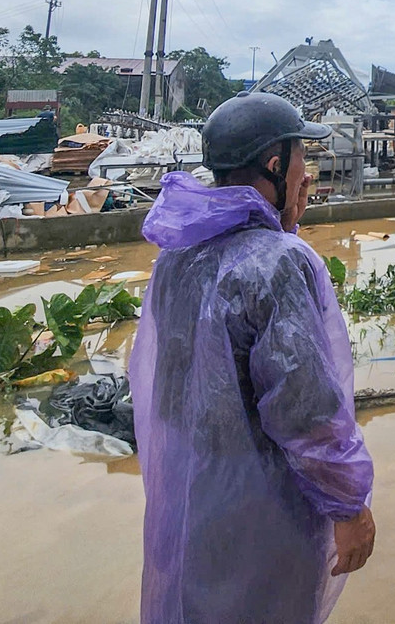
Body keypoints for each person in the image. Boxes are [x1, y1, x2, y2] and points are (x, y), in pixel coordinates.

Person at [130, 92, 376, 624]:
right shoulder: (279, 263)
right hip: (264, 511)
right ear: (275, 164)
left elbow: (178, 390)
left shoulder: (177, 255)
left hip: (195, 496)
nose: (308, 174)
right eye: (302, 158)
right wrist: (348, 506)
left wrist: (282, 223)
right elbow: (305, 409)